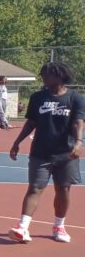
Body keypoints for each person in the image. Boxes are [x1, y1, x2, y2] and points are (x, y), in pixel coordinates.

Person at [8, 62, 83, 244]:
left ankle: (59, 226)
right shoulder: (37, 97)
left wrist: (79, 142)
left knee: (63, 190)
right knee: (34, 188)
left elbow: (78, 122)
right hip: (40, 153)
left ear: (59, 75)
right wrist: (17, 142)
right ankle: (23, 227)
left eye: (46, 73)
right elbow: (31, 122)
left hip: (66, 154)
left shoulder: (75, 98)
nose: (43, 76)